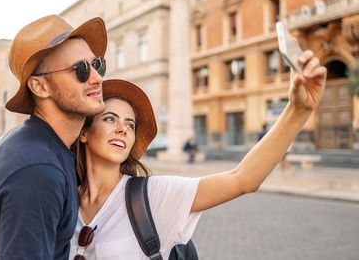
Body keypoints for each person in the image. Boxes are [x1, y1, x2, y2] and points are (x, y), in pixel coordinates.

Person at [70, 49, 327, 260]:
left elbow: (243, 179)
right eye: (110, 119)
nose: (122, 130)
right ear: (84, 132)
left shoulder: (153, 195)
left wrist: (298, 110)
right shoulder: (61, 199)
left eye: (130, 125)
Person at [0, 14, 108, 259]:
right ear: (40, 87)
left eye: (97, 64)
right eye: (81, 69)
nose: (97, 78)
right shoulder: (38, 171)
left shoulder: (35, 146)